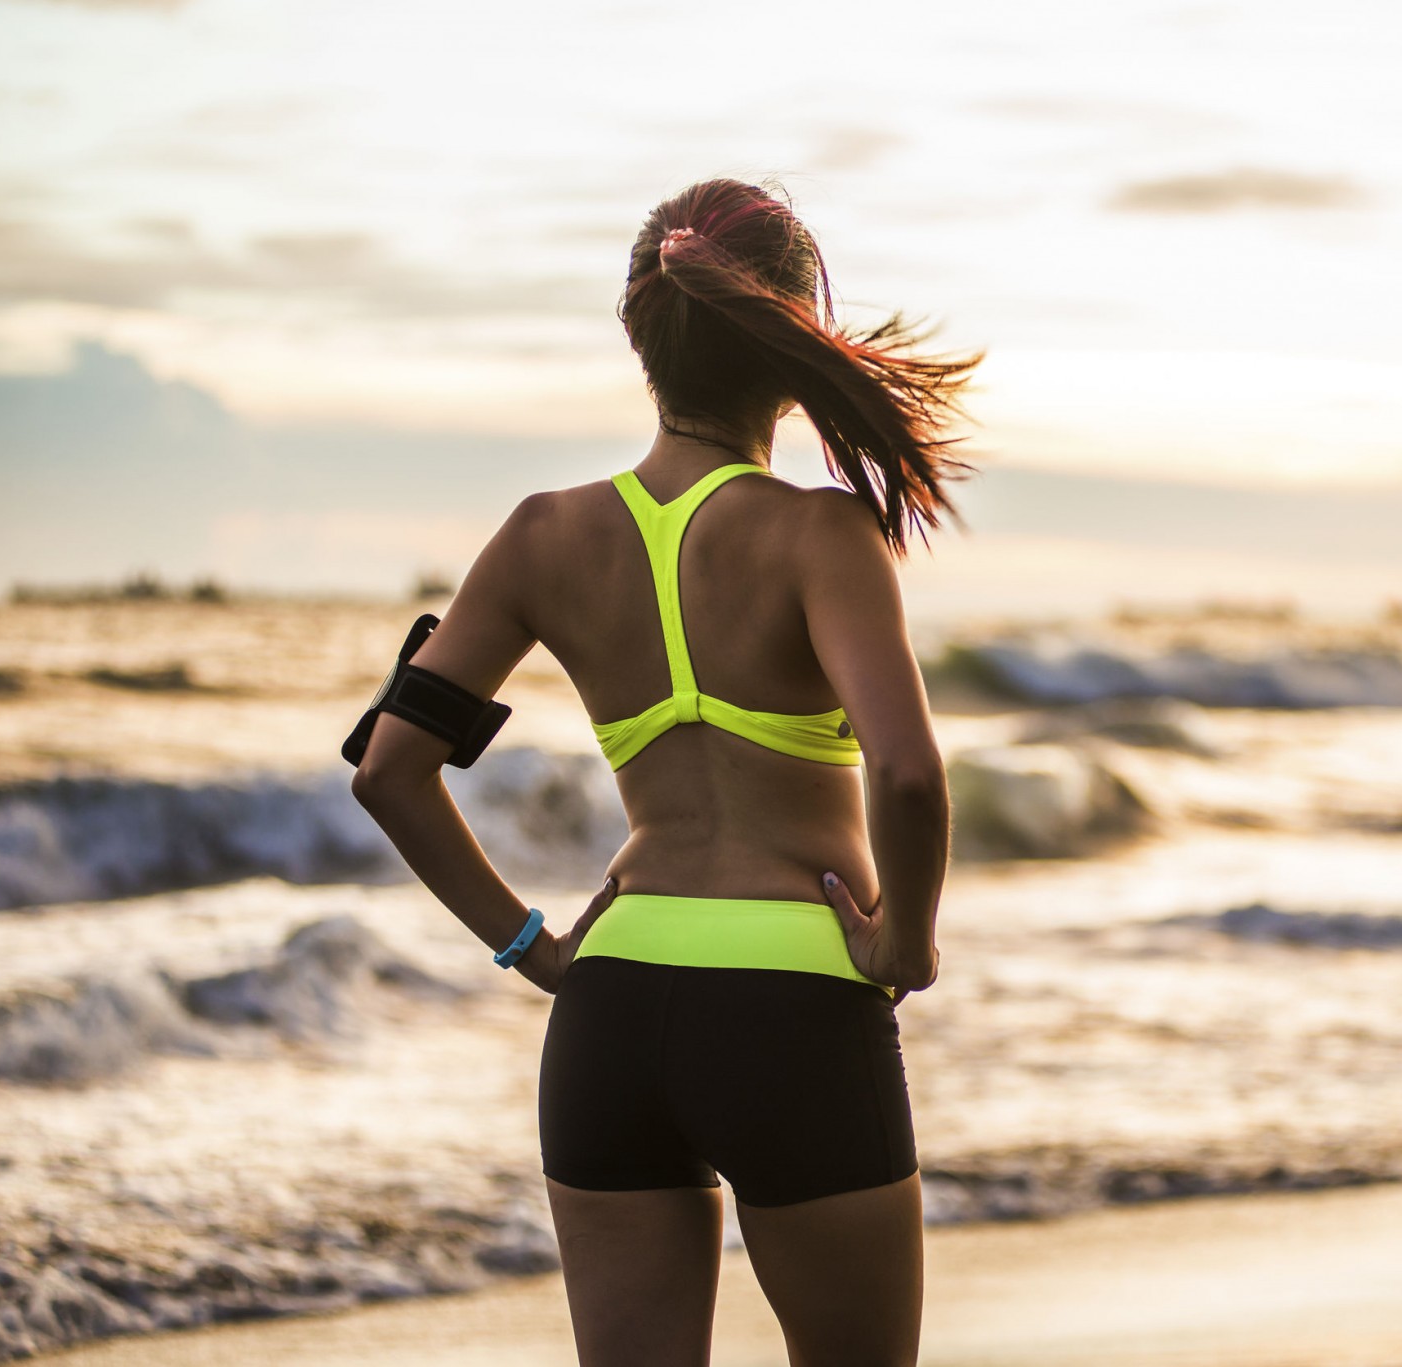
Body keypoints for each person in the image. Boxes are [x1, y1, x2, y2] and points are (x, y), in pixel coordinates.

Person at [350, 177, 977, 1366]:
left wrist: (531, 946)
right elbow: (905, 774)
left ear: (638, 336)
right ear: (792, 350)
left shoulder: (541, 534)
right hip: (794, 1006)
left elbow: (389, 771)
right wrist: (905, 947)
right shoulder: (821, 535)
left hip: (612, 1010)